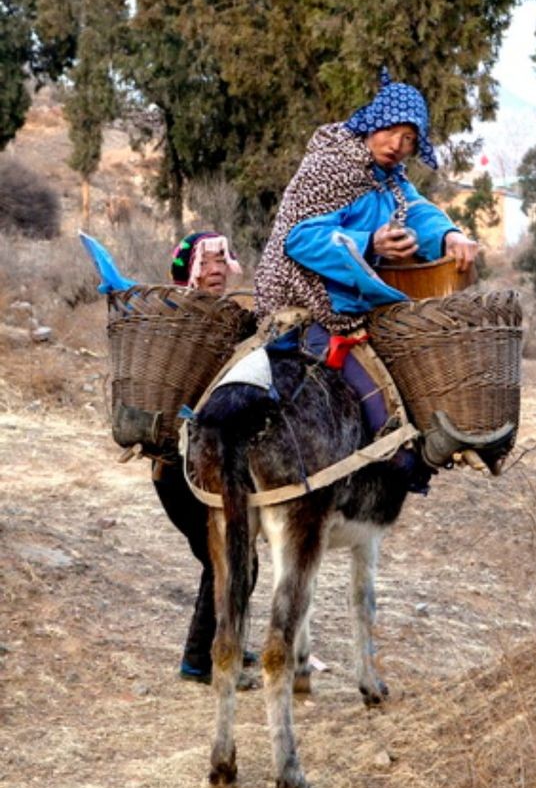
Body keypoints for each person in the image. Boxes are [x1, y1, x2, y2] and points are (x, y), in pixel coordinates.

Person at [254, 68, 478, 480]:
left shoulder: (389, 179)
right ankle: (399, 457)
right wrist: (369, 243)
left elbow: (417, 210)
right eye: (392, 130)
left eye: (410, 138)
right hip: (305, 302)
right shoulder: (330, 166)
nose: (398, 145)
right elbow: (299, 240)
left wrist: (449, 235)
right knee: (377, 395)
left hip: (351, 301)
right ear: (372, 122)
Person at [152, 230, 256, 685]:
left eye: (221, 260)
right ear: (188, 271)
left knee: (230, 559)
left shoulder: (230, 319)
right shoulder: (181, 324)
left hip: (209, 464)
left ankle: (218, 650)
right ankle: (203, 661)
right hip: (178, 467)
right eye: (205, 262)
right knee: (230, 560)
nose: (215, 270)